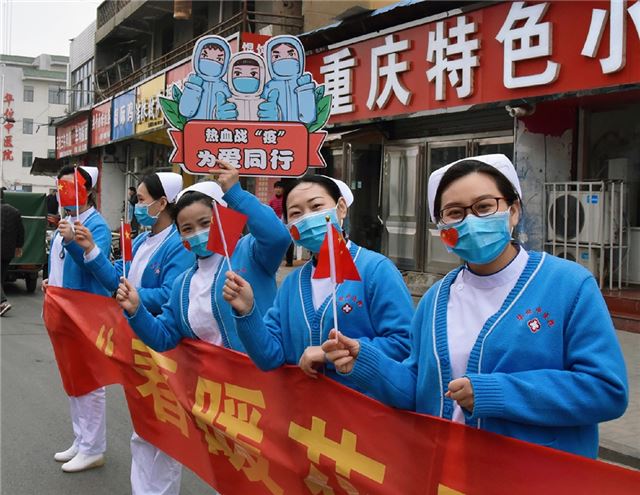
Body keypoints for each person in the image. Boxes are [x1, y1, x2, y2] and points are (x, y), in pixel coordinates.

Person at [322, 154, 628, 458]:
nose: (470, 221)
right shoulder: (434, 300)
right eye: (454, 213)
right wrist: (366, 362)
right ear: (442, 227)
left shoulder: (568, 285)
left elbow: (606, 389)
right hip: (448, 471)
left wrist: (495, 392)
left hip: (537, 474)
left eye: (484, 207)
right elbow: (418, 388)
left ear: (514, 211)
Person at [222, 175, 413, 390]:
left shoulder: (376, 270)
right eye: (296, 213)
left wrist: (332, 354)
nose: (308, 218)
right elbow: (268, 357)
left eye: (316, 206)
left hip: (363, 407)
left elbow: (404, 343)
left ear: (341, 208)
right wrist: (247, 312)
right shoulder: (291, 284)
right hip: (307, 409)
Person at [74, 171, 193, 495]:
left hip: (162, 344)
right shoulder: (140, 240)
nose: (135, 206)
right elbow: (117, 280)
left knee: (165, 431)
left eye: (140, 200)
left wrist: (135, 298)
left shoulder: (178, 245)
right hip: (136, 343)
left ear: (162, 203)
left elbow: (170, 294)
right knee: (143, 426)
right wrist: (90, 250)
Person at [115, 160, 291, 355]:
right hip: (210, 375)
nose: (197, 232)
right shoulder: (182, 284)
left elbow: (278, 237)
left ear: (222, 218)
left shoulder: (249, 253)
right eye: (187, 228)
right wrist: (136, 310)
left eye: (205, 223)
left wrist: (236, 194)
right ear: (180, 235)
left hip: (259, 371)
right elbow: (163, 336)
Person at [42, 165, 112, 472]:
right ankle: (81, 439)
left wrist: (72, 241)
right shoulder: (67, 220)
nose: (64, 193)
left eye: (70, 186)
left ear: (88, 190)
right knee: (72, 377)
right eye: (61, 187)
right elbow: (61, 264)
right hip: (61, 308)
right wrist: (52, 281)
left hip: (84, 312)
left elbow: (94, 266)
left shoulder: (96, 225)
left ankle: (93, 448)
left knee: (89, 380)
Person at [260, 35, 316, 124]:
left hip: (299, 131)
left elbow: (309, 118)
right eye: (276, 56)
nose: (284, 59)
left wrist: (305, 90)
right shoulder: (268, 87)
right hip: (276, 131)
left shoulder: (302, 83)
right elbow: (260, 113)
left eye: (291, 54)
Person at [179, 35, 237, 120]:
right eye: (205, 56)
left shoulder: (226, 88)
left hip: (217, 128)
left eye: (219, 59)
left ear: (225, 63)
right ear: (197, 57)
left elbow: (232, 113)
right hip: (194, 127)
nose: (211, 62)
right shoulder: (193, 83)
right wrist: (193, 89)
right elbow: (185, 111)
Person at [1, 188, 25, 316]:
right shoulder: (14, 211)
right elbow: (21, 231)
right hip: (8, 250)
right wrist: (18, 246)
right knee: (1, 276)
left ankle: (2, 302)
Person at [227, 51, 268, 121]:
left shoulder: (264, 104)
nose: (245, 77)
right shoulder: (228, 104)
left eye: (253, 74)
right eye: (237, 73)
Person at [269, 181, 293, 266]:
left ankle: (289, 261)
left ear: (283, 189)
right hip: (276, 224)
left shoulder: (286, 200)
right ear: (274, 189)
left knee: (289, 242)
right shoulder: (272, 201)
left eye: (280, 188)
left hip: (286, 224)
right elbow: (270, 213)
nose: (278, 190)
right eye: (276, 188)